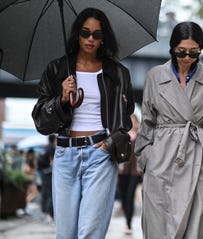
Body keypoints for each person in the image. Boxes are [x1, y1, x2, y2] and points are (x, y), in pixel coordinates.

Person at [31, 8, 134, 238]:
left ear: (103, 37)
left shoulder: (117, 73)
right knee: (66, 234)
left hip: (100, 153)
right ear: (77, 34)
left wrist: (110, 143)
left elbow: (126, 116)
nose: (90, 39)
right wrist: (61, 100)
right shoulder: (57, 70)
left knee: (89, 233)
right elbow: (40, 120)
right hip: (65, 156)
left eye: (96, 35)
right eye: (85, 33)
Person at [135, 21, 203, 239]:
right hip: (162, 160)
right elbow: (147, 123)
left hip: (198, 159)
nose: (186, 58)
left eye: (194, 53)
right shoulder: (155, 77)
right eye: (181, 52)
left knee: (196, 228)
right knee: (159, 228)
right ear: (172, 48)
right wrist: (147, 156)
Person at [118, 113, 142, 235]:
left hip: (135, 171)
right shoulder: (123, 135)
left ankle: (128, 223)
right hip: (123, 170)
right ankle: (127, 219)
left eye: (134, 120)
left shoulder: (141, 136)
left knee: (130, 195)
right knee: (123, 196)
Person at [38, 134, 56, 222]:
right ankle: (50, 214)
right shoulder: (52, 148)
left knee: (45, 192)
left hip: (42, 172)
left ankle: (44, 212)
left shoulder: (44, 148)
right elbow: (52, 161)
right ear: (54, 140)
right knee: (51, 193)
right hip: (49, 172)